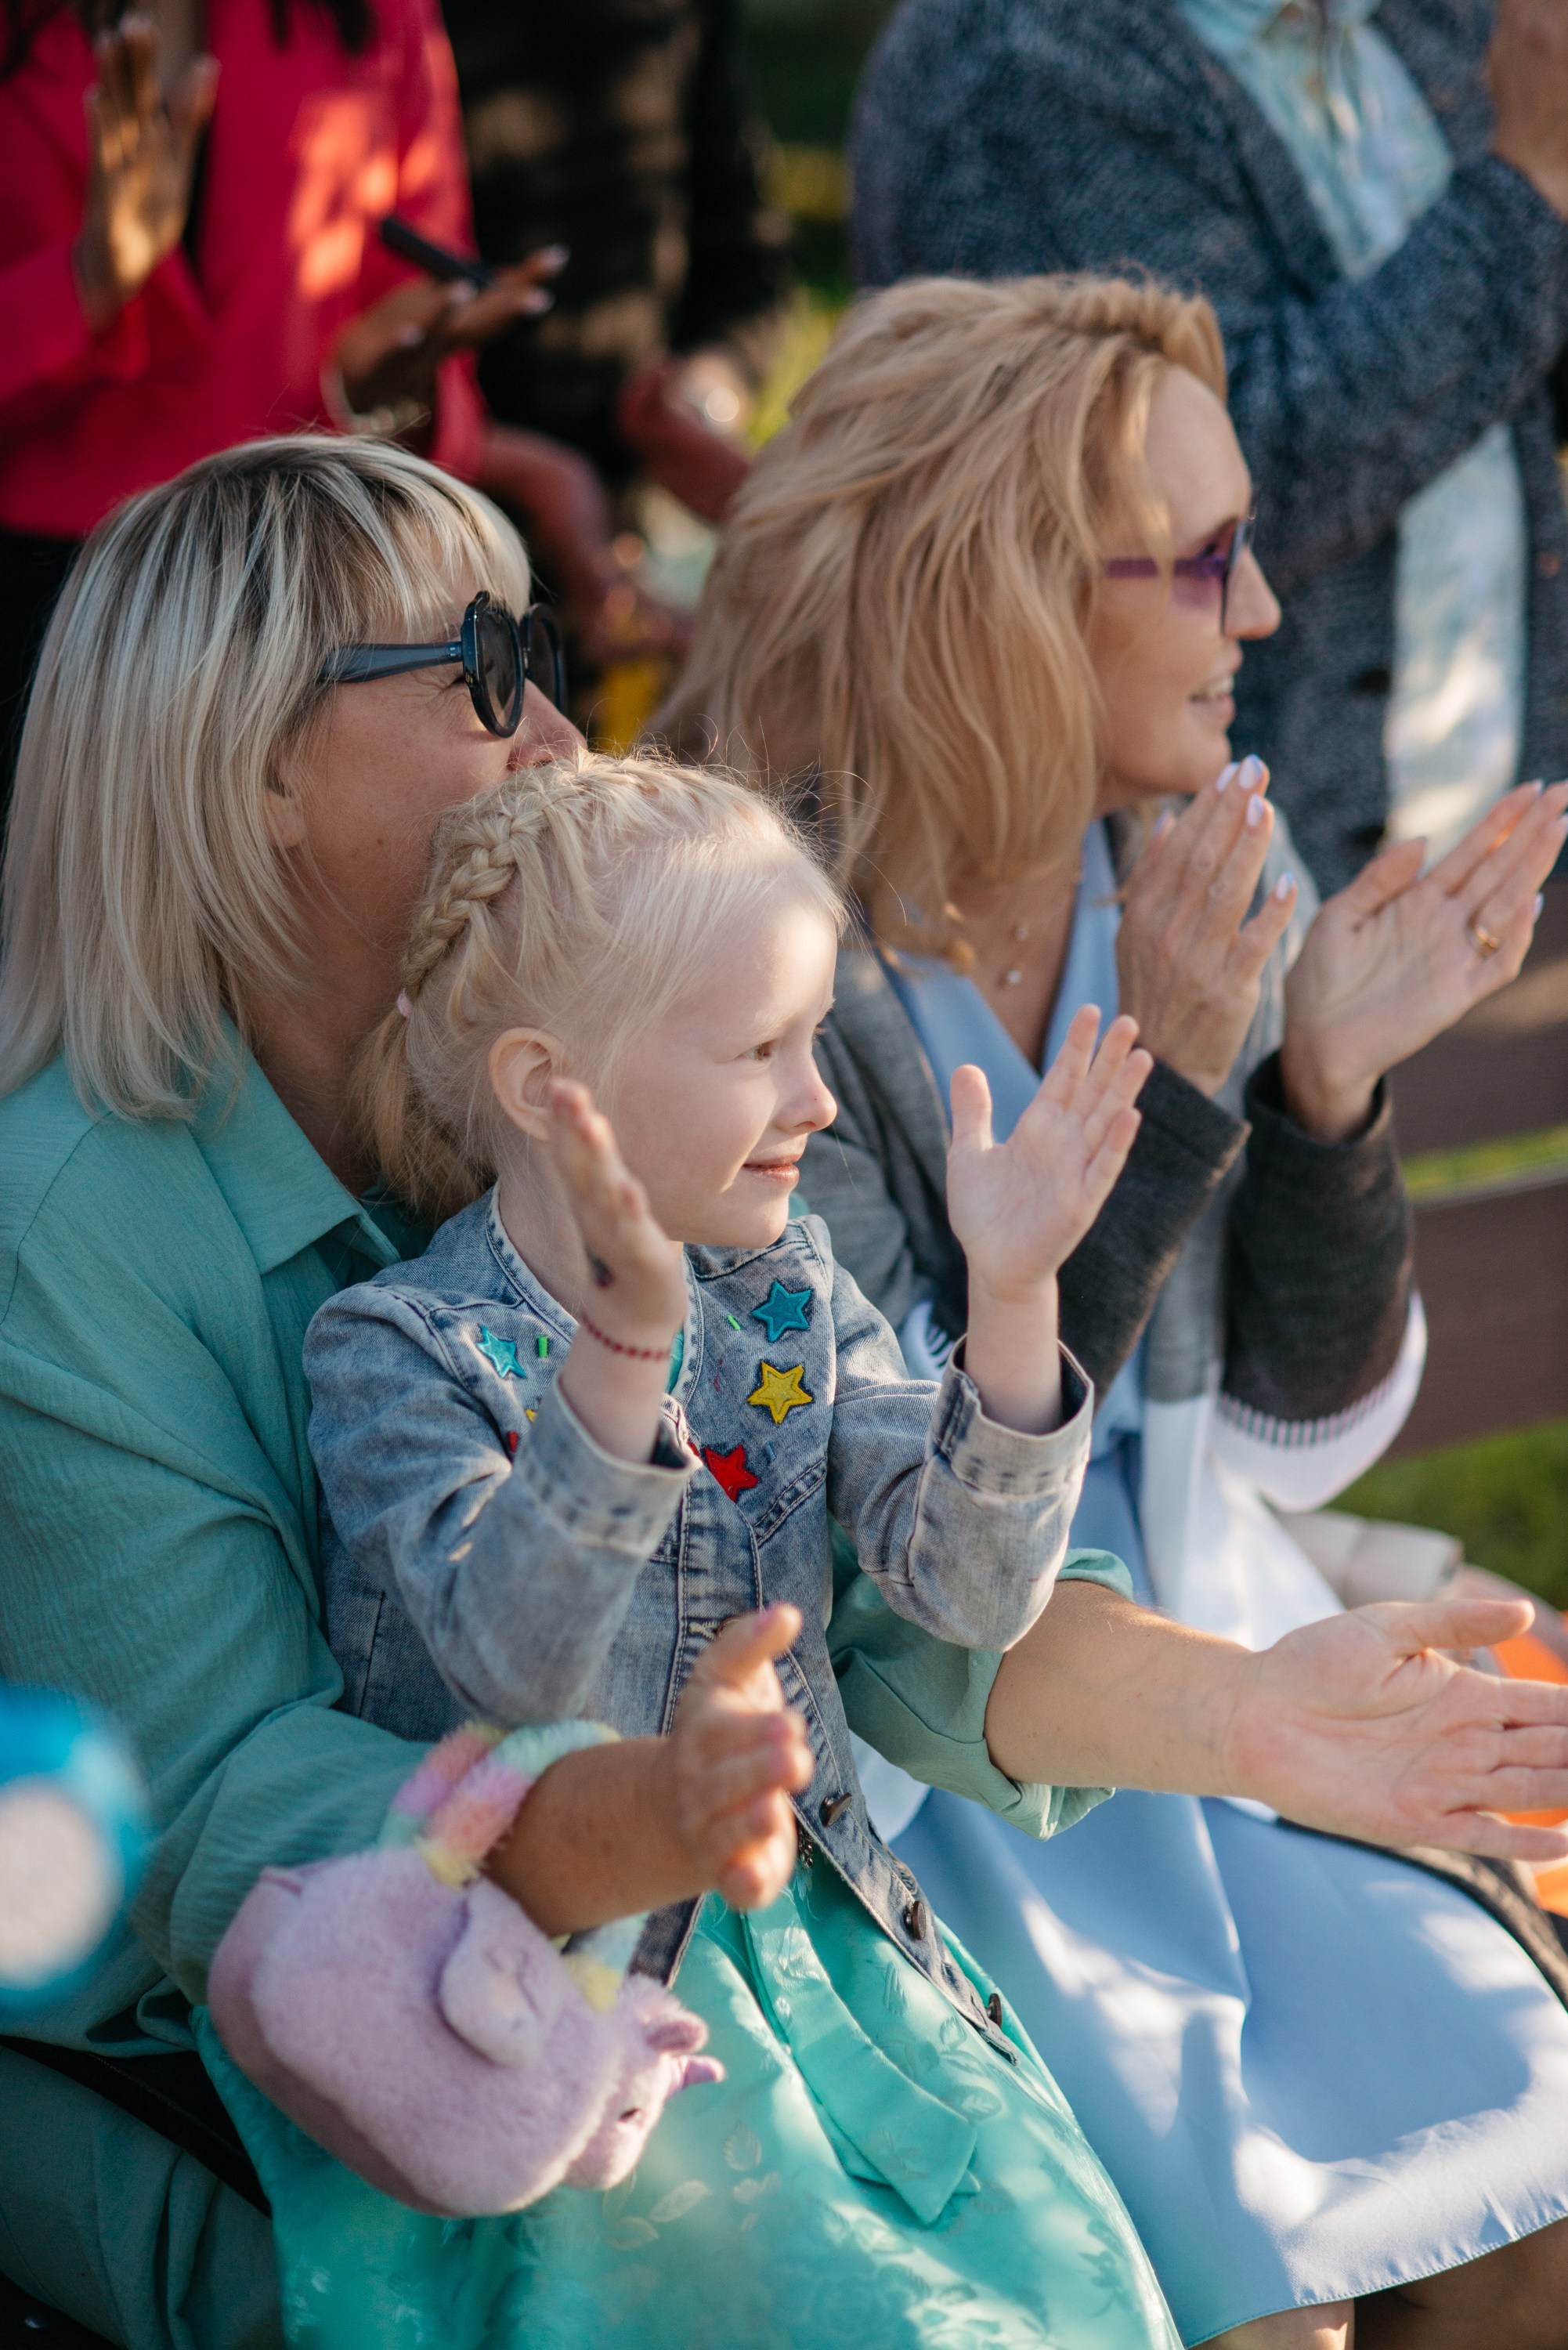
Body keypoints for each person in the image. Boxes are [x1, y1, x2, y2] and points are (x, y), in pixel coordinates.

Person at [5, 434, 1566, 2350]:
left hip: (714, 1977)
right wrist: (669, 1811)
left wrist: (1252, 1709)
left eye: (543, 650)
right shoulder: (61, 1220)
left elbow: (895, 1601)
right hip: (300, 2117)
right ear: (251, 768)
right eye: (485, 668)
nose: (563, 735)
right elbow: (249, 1843)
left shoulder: (595, 1084)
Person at [661, 268, 1568, 2349]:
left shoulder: (1155, 856)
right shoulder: (752, 959)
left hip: (1216, 1647)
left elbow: (1276, 1426)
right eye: (1213, 557)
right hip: (961, 1763)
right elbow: (918, 1532)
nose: (1263, 615)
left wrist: (1327, 1094)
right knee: (1277, 2301)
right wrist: (1168, 1096)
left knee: (1524, 2170)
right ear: (1009, 599)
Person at [851, 0, 1568, 892]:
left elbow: (1514, 378)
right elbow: (1212, 498)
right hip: (1199, 911)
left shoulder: (1417, 22)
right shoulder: (1020, 56)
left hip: (1489, 837)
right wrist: (1531, 183)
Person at [0, 0, 558, 805]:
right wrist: (85, 283)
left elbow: (422, 371)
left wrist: (386, 389)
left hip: (297, 600)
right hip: (42, 607)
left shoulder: (379, 18)